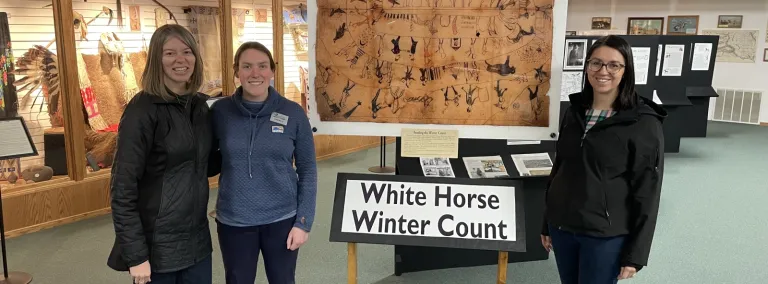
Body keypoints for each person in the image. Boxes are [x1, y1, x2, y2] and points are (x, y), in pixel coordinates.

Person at [541, 35, 666, 283]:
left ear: (626, 71)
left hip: (604, 235)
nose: (603, 71)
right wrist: (548, 222)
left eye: (613, 65)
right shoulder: (574, 112)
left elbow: (647, 192)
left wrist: (636, 253)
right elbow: (560, 169)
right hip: (564, 227)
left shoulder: (643, 122)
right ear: (587, 66)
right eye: (596, 63)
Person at [107, 24, 214, 284]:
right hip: (157, 248)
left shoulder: (200, 106)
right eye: (170, 53)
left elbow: (207, 165)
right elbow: (122, 188)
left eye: (187, 51)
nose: (180, 59)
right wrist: (136, 256)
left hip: (197, 242)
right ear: (156, 59)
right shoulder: (141, 111)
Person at [209, 41, 318, 284]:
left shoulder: (293, 113)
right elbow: (204, 160)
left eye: (262, 66)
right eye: (247, 66)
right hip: (234, 221)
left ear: (272, 71)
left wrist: (303, 222)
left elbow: (308, 170)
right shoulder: (220, 112)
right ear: (236, 71)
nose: (255, 73)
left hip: (282, 219)